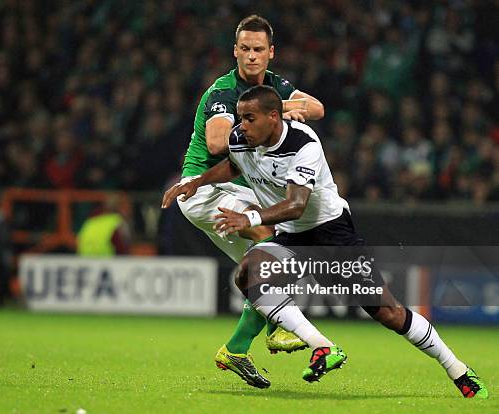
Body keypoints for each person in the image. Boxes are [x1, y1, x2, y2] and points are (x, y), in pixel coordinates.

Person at [163, 85, 488, 398]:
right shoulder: (241, 139)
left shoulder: (304, 144)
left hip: (331, 235)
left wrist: (249, 218)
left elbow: (296, 204)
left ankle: (457, 368)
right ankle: (322, 346)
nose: (241, 126)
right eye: (240, 117)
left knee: (388, 312)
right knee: (249, 273)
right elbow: (233, 165)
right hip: (291, 236)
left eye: (250, 119)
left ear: (274, 117)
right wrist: (196, 183)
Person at [173, 14, 325, 388]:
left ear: (271, 53)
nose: (252, 56)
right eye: (245, 49)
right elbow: (217, 143)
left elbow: (318, 108)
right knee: (277, 241)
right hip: (204, 188)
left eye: (259, 49)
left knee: (267, 266)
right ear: (235, 51)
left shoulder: (274, 86)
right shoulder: (224, 92)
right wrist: (275, 114)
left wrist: (282, 108)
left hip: (229, 189)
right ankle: (278, 328)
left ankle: (237, 348)